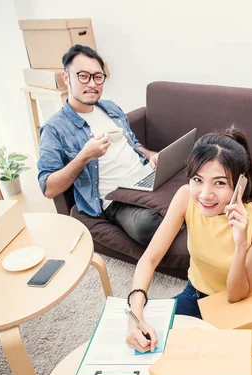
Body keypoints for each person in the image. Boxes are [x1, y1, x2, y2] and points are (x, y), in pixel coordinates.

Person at [125, 126, 252, 375]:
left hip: (243, 305)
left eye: (220, 183)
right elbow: (149, 259)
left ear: (240, 184)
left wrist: (240, 243)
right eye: (198, 180)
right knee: (146, 353)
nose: (205, 194)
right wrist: (135, 315)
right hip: (196, 295)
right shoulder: (185, 197)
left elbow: (237, 294)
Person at [37, 45, 163, 246]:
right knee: (146, 226)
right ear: (66, 77)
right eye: (83, 76)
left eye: (98, 77)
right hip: (115, 199)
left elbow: (134, 144)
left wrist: (151, 155)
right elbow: (49, 189)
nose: (92, 84)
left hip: (144, 176)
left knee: (193, 179)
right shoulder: (54, 129)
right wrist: (84, 156)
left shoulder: (110, 108)